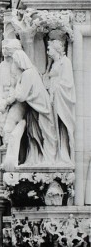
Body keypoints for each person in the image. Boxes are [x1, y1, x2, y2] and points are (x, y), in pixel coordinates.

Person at [1, 49, 56, 170]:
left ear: (20, 61)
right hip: (33, 108)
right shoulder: (30, 72)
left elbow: (21, 96)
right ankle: (34, 158)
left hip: (39, 109)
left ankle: (43, 158)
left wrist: (14, 93)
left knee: (40, 133)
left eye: (15, 61)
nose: (14, 64)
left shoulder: (28, 74)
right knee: (32, 133)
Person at [44, 32, 75, 166]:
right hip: (52, 98)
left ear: (56, 49)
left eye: (49, 49)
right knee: (52, 126)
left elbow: (68, 82)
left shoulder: (65, 62)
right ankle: (53, 155)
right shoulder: (54, 64)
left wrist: (55, 89)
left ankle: (64, 156)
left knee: (61, 126)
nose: (47, 51)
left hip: (60, 99)